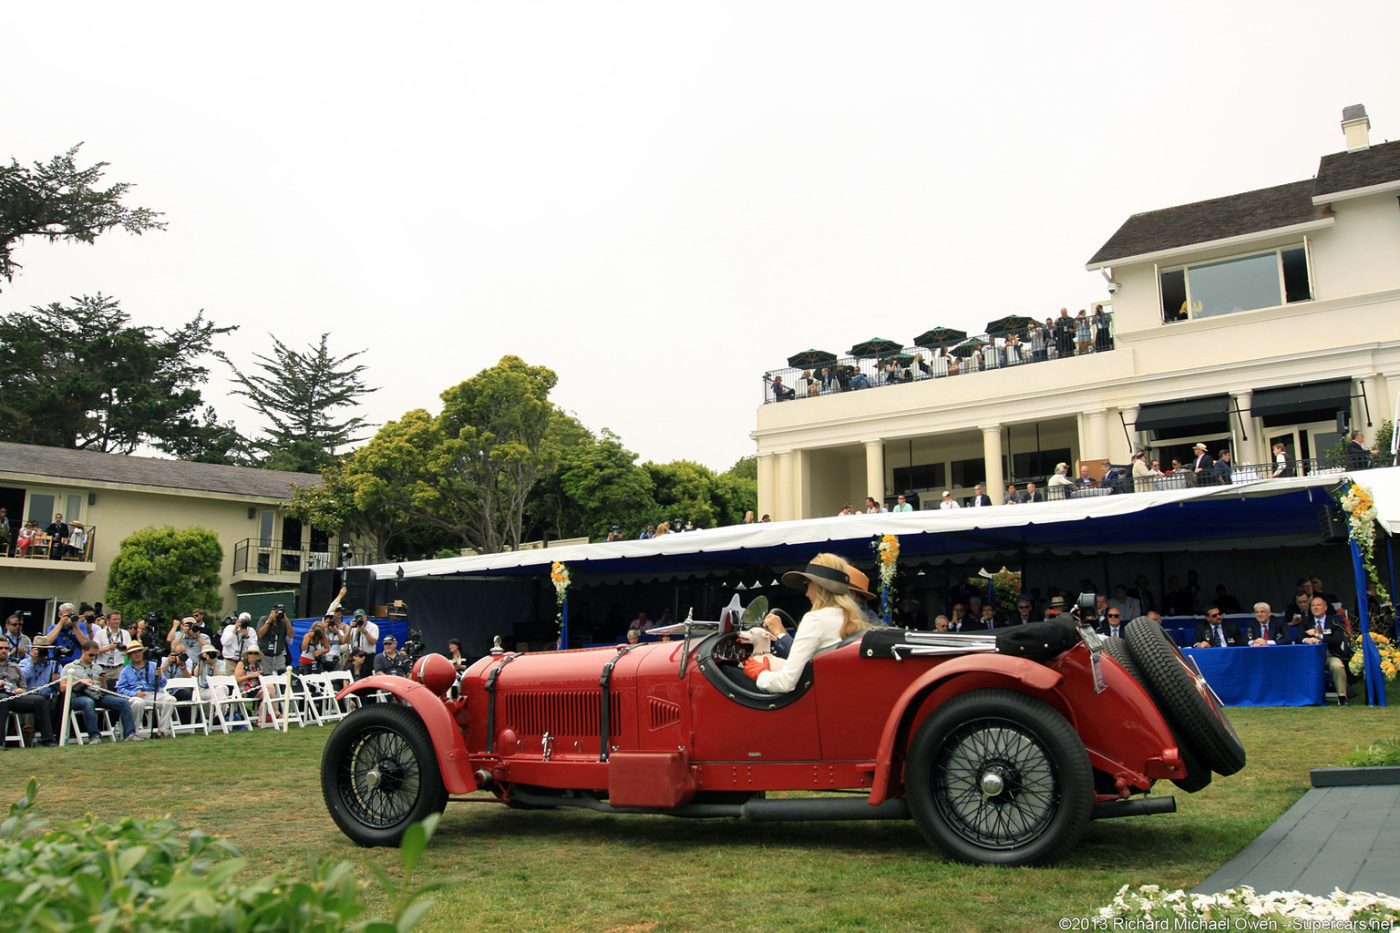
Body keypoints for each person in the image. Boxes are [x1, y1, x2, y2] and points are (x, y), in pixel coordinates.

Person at [743, 554, 872, 694]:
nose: (806, 594)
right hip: (837, 692)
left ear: (817, 586)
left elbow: (785, 683)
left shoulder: (814, 619)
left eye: (807, 585)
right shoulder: (852, 620)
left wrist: (761, 673)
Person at [62, 641, 140, 741]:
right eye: (91, 655)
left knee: (123, 702)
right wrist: (79, 681)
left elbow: (104, 690)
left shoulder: (97, 667)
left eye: (96, 655)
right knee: (88, 702)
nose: (93, 658)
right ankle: (94, 736)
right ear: (83, 652)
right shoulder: (70, 667)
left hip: (97, 695)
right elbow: (62, 688)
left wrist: (102, 682)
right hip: (79, 696)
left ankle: (130, 734)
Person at [0, 640, 56, 745]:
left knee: (39, 700)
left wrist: (21, 690)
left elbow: (23, 686)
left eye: (6, 648)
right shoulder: (23, 663)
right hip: (2, 697)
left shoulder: (14, 666)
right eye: (1, 648)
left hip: (14, 696)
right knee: (2, 699)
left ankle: (47, 739)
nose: (4, 651)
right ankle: (0, 742)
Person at [116, 643, 176, 739]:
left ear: (142, 653)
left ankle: (162, 732)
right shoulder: (125, 670)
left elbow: (162, 684)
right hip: (134, 696)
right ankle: (132, 733)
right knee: (138, 703)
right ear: (129, 656)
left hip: (151, 693)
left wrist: (160, 677)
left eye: (138, 652)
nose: (137, 654)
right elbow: (120, 689)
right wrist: (134, 693)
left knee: (170, 699)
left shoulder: (153, 665)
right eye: (133, 653)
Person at [1299, 595, 1352, 703]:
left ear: (1325, 607)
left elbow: (1337, 640)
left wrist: (1319, 636)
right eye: (1313, 605)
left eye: (1319, 605)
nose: (1315, 607)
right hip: (1311, 657)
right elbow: (1298, 637)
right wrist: (1306, 640)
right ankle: (1303, 697)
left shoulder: (1334, 620)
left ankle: (1342, 697)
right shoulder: (1306, 621)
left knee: (1338, 666)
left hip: (1330, 655)